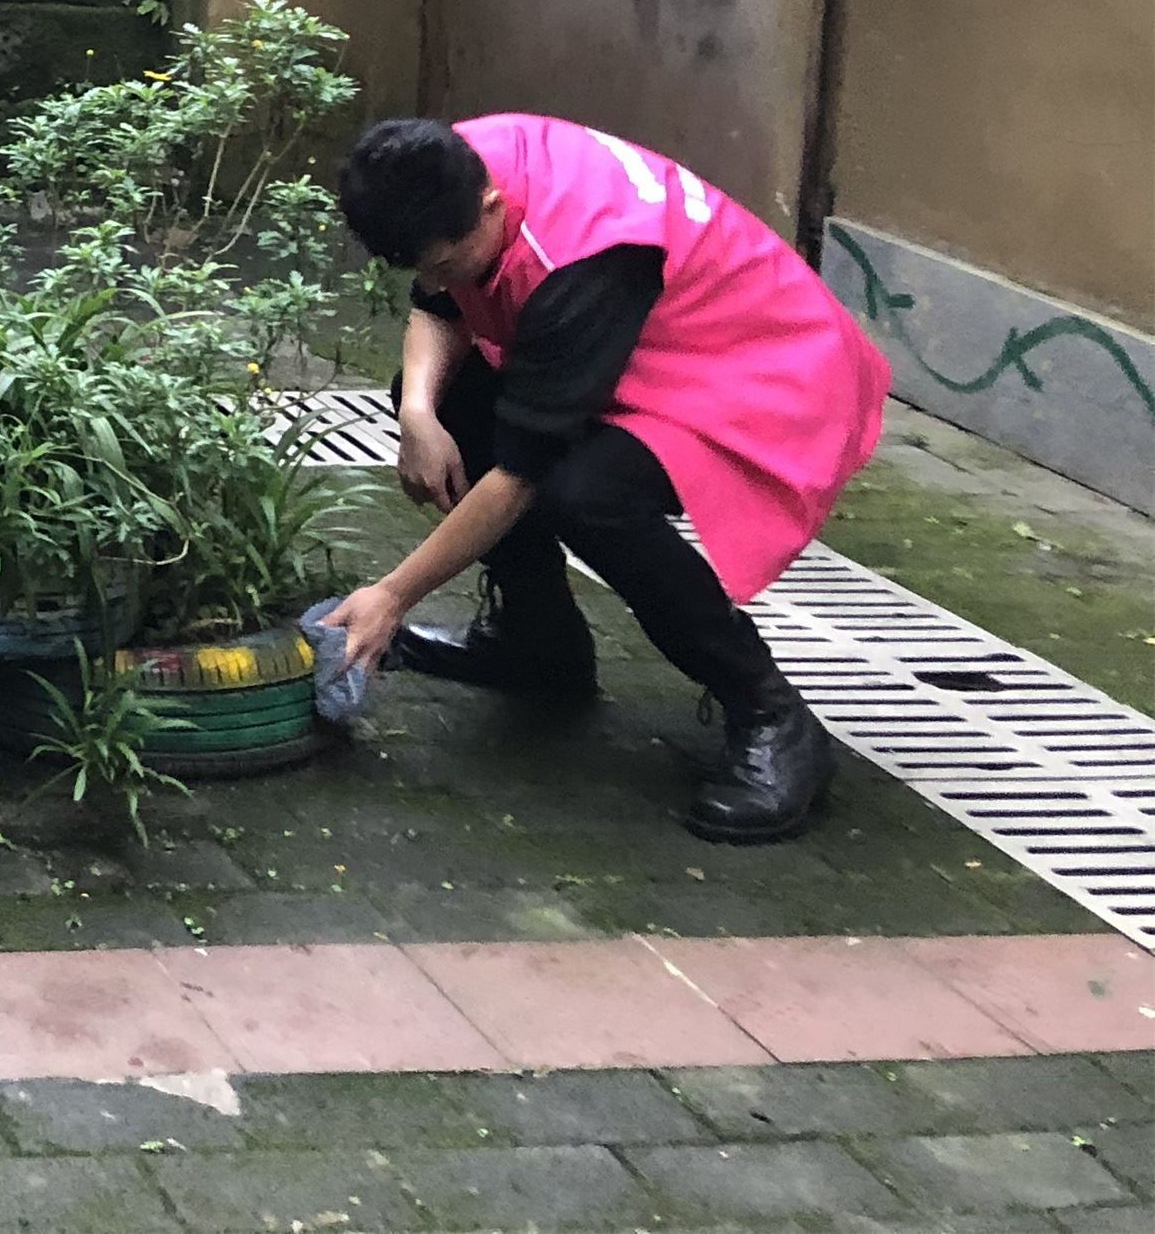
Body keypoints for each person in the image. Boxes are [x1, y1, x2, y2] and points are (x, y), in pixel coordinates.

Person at [317, 113, 892, 844]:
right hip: (650, 342)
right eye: (420, 267)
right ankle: (537, 643)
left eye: (448, 264)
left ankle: (770, 712)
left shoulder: (583, 258)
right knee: (451, 397)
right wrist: (416, 413)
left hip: (763, 369)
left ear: (490, 206)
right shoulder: (448, 167)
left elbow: (520, 472)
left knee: (589, 495)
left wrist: (393, 595)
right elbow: (439, 306)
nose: (434, 283)